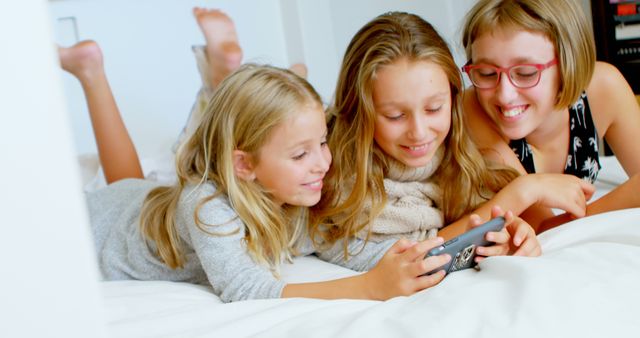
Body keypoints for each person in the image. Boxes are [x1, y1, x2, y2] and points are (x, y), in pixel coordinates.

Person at [58, 10, 461, 302]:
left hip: (136, 197)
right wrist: (369, 289)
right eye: (301, 153)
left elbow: (342, 246)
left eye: (322, 143)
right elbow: (245, 289)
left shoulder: (296, 198)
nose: (323, 163)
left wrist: (424, 257)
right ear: (245, 165)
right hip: (80, 228)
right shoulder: (207, 205)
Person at [310, 11, 544, 274]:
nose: (419, 132)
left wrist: (508, 239)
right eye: (395, 116)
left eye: (434, 108)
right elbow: (407, 259)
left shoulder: (462, 160)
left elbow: (508, 228)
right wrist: (521, 193)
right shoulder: (329, 180)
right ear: (360, 114)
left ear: (453, 101)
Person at [460, 0, 640, 231]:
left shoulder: (604, 87)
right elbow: (543, 228)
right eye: (485, 73)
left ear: (568, 65)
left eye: (526, 73)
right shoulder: (471, 109)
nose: (504, 95)